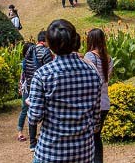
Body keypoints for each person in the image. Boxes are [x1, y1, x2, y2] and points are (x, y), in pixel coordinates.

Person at [28, 19, 102, 163]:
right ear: (75, 40)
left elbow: (34, 118)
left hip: (51, 152)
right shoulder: (93, 72)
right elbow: (96, 119)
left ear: (49, 44)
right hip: (84, 152)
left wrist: (32, 103)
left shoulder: (43, 74)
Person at [84, 29, 113, 163]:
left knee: (91, 138)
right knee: (97, 137)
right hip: (105, 102)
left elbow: (88, 79)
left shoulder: (90, 56)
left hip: (93, 103)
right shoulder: (108, 58)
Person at [24, 31, 54, 151]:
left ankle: (32, 142)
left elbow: (25, 67)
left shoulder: (29, 50)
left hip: (31, 84)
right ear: (45, 40)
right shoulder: (45, 51)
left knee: (32, 111)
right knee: (46, 111)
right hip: (42, 84)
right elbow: (49, 70)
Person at [17, 42, 35, 143]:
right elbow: (22, 77)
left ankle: (25, 132)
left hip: (29, 88)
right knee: (25, 109)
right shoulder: (25, 62)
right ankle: (20, 132)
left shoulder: (33, 61)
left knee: (28, 110)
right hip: (27, 88)